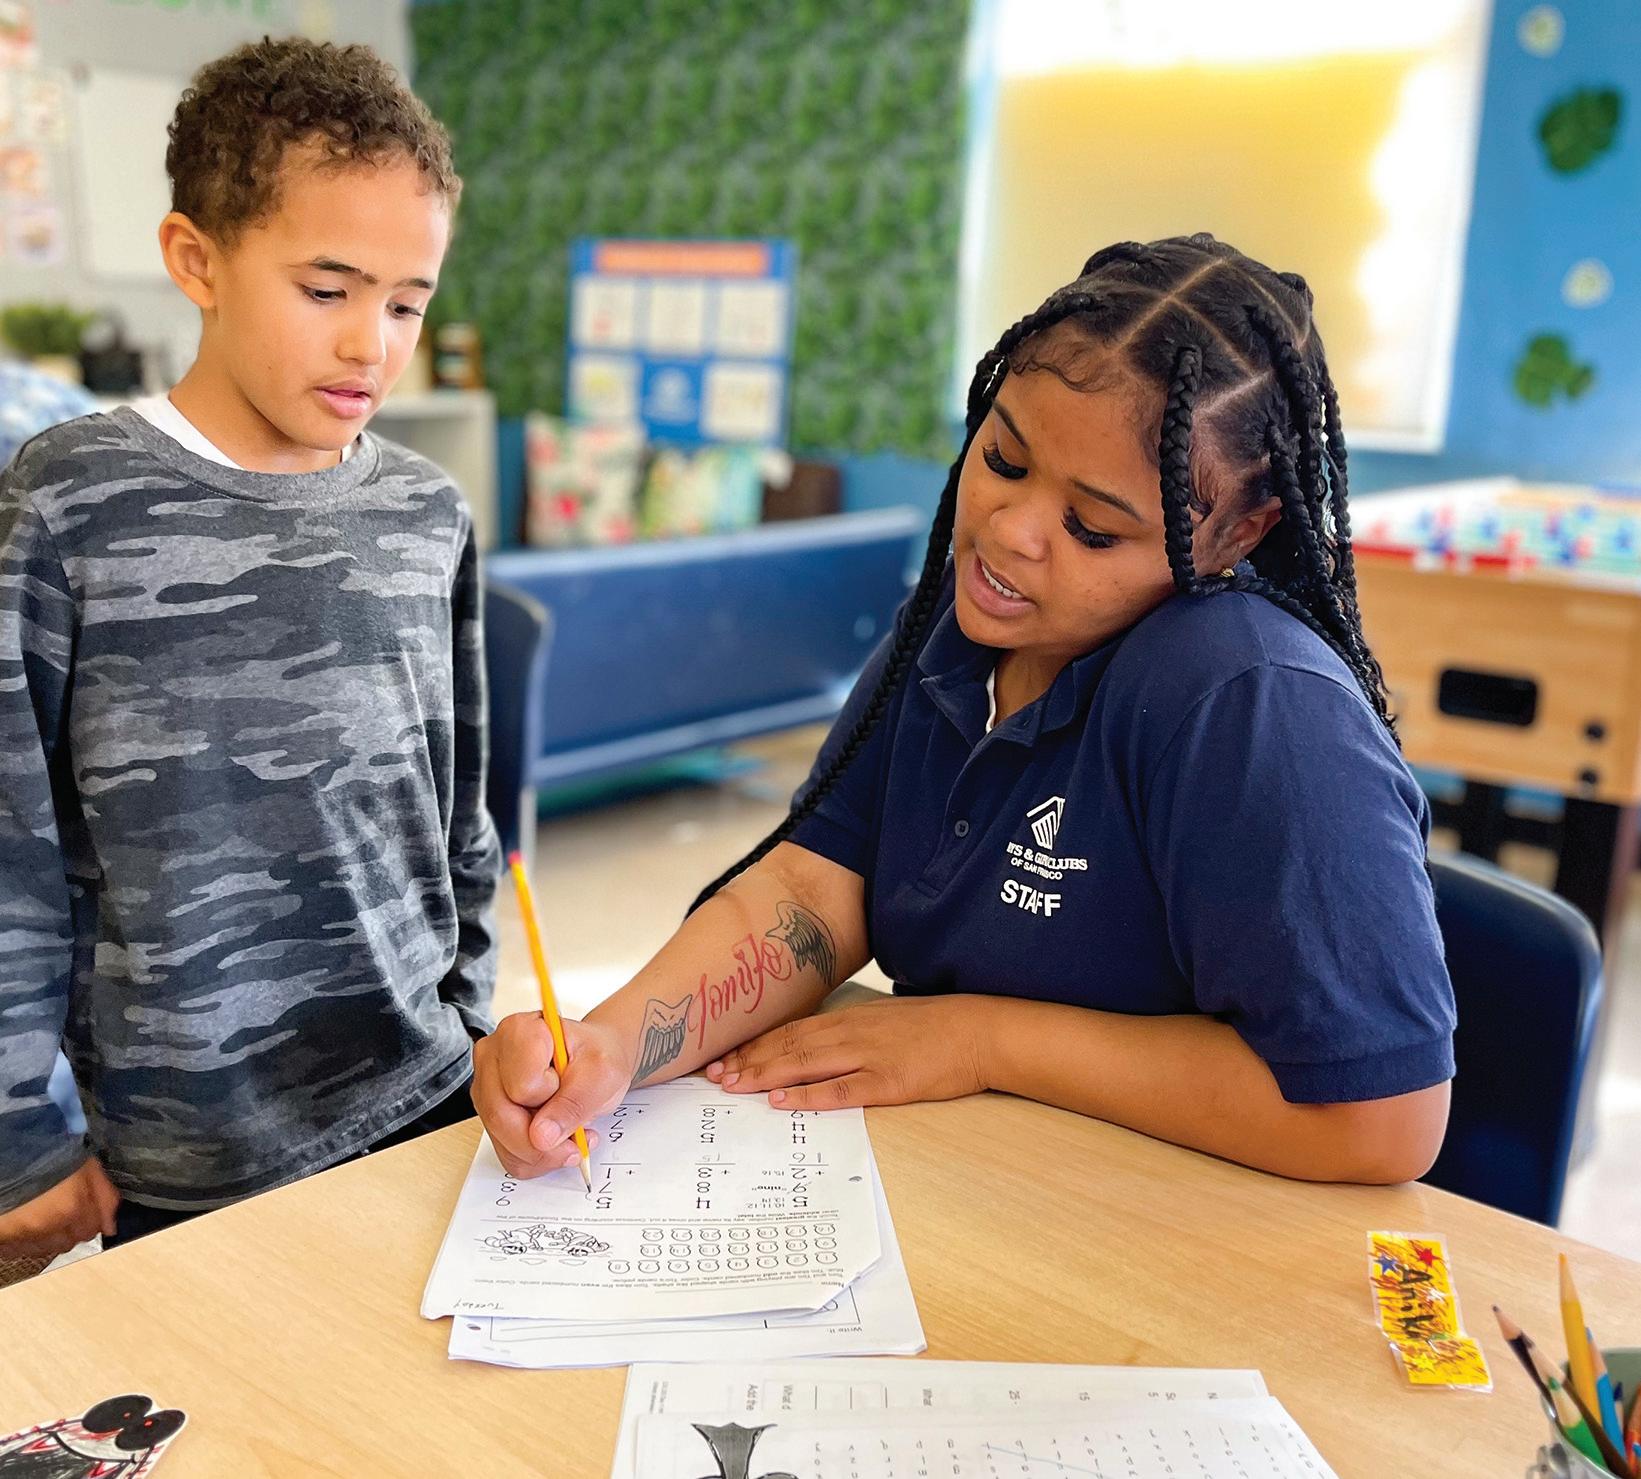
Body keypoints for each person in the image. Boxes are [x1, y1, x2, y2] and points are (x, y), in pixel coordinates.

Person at [475, 235, 1456, 1189]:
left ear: (1236, 533)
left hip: (1167, 1230)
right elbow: (816, 888)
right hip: (975, 1183)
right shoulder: (960, 620)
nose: (1010, 532)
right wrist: (609, 1045)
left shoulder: (1255, 706)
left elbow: (1383, 1119)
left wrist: (980, 1040)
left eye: (1091, 527)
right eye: (1005, 459)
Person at [0, 37, 497, 1257]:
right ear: (197, 259)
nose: (372, 345)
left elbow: (460, 817)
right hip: (193, 1153)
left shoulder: (430, 514)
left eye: (407, 303)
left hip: (426, 1093)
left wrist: (478, 1021)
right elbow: (11, 850)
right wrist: (17, 1144)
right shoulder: (70, 504)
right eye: (327, 292)